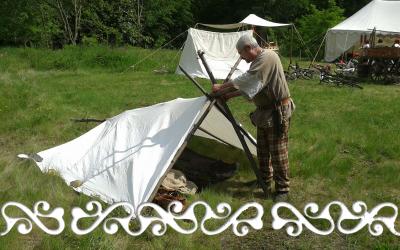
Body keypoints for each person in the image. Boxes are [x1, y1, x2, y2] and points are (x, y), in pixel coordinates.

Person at [211, 34, 295, 202]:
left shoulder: (268, 57)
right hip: (264, 113)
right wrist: (229, 95)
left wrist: (222, 87)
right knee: (263, 151)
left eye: (242, 54)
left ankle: (282, 189)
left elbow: (249, 78)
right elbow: (255, 87)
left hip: (277, 112)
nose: (242, 59)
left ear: (249, 48)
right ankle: (264, 180)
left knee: (277, 152)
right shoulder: (259, 61)